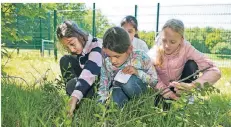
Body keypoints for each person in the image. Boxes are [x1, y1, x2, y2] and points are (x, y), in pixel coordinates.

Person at [148, 19, 221, 110]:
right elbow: (150, 74)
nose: (167, 46)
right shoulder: (154, 51)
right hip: (161, 88)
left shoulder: (186, 47)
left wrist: (192, 86)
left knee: (192, 64)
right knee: (162, 111)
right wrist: (166, 92)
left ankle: (186, 97)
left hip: (181, 87)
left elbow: (215, 71)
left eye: (172, 42)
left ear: (181, 40)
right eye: (164, 40)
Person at [98, 26, 158, 107]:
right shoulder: (107, 63)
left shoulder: (141, 57)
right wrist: (101, 101)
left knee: (128, 83)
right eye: (109, 56)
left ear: (129, 49)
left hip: (138, 88)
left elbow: (154, 81)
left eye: (117, 56)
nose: (113, 61)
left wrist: (137, 72)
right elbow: (103, 86)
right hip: (118, 89)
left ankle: (141, 104)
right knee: (113, 105)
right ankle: (127, 105)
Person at [56, 20, 102, 117]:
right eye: (67, 47)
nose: (71, 50)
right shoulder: (81, 47)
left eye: (72, 44)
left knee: (73, 85)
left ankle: (74, 97)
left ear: (79, 35)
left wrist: (75, 96)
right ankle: (73, 96)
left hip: (100, 83)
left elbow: (90, 71)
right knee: (65, 60)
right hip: (86, 80)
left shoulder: (96, 46)